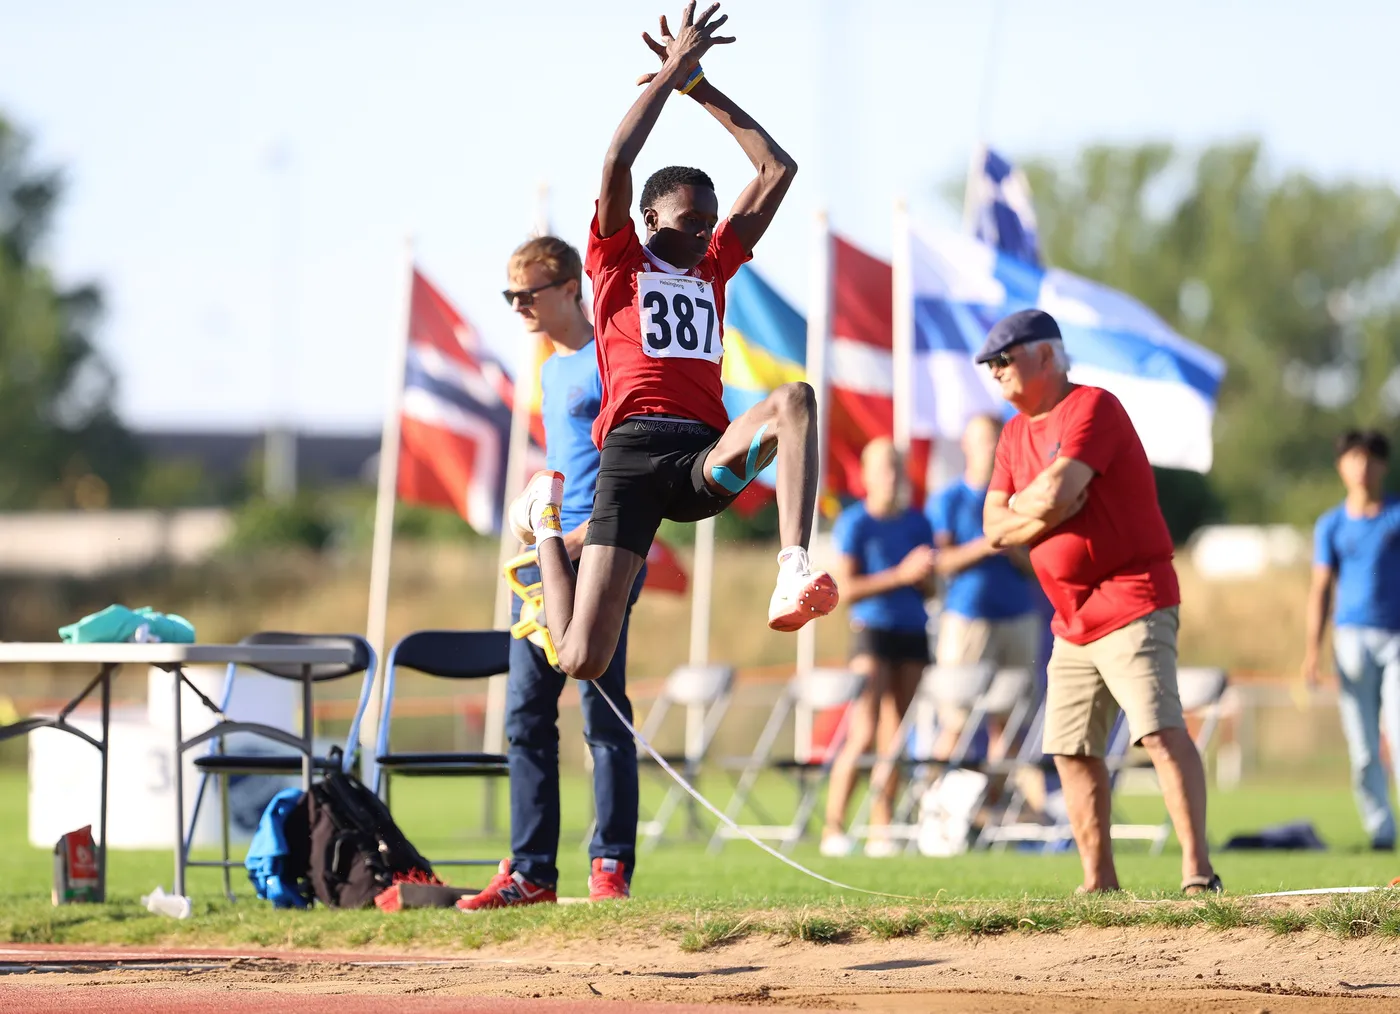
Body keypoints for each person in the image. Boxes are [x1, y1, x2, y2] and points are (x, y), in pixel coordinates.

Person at [507, 3, 837, 685]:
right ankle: (545, 528)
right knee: (583, 660)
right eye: (690, 223)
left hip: (698, 456)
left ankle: (792, 566)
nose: (701, 235)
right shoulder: (617, 258)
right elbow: (617, 158)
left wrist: (701, 88)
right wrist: (667, 76)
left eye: (709, 224)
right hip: (629, 459)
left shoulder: (714, 263)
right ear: (650, 216)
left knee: (795, 400)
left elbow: (778, 170)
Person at [979, 308, 1220, 895]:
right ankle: (1100, 882)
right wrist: (1042, 507)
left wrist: (1034, 506)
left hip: (1132, 597)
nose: (996, 374)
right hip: (1070, 618)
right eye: (990, 366)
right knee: (1068, 748)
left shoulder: (1093, 407)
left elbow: (1059, 492)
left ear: (1045, 356)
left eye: (1003, 361)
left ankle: (1197, 873)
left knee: (1160, 731)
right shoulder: (1013, 434)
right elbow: (992, 526)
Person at [459, 237, 642, 911]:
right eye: (510, 297)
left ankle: (610, 866)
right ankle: (532, 871)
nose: (519, 308)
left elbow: (636, 473)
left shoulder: (615, 359)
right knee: (525, 716)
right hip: (548, 556)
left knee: (604, 711)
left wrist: (586, 531)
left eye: (528, 294)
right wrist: (538, 522)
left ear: (570, 288)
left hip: (606, 550)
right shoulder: (552, 369)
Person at [822, 439, 937, 857]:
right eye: (883, 468)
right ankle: (833, 827)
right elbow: (847, 588)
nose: (892, 476)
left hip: (912, 629)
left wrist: (924, 577)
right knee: (864, 730)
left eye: (897, 468)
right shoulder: (854, 523)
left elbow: (929, 588)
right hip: (872, 630)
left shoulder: (919, 523)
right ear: (867, 476)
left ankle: (881, 829)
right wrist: (902, 574)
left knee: (897, 735)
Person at [1303, 428, 1400, 850]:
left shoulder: (1396, 514)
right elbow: (1320, 589)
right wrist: (1312, 651)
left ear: (1383, 465)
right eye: (1354, 458)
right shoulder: (1332, 524)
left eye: (1371, 458)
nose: (1363, 467)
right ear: (1342, 466)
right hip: (1350, 643)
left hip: (1396, 639)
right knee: (1363, 750)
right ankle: (1381, 830)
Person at [925, 413, 1042, 760]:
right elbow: (941, 562)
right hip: (966, 620)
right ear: (966, 446)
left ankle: (999, 809)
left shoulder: (1020, 500)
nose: (988, 449)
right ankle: (934, 802)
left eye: (994, 440)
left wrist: (1014, 548)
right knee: (956, 723)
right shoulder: (949, 500)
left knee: (1007, 725)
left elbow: (1038, 565)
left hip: (1018, 617)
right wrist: (990, 542)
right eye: (981, 440)